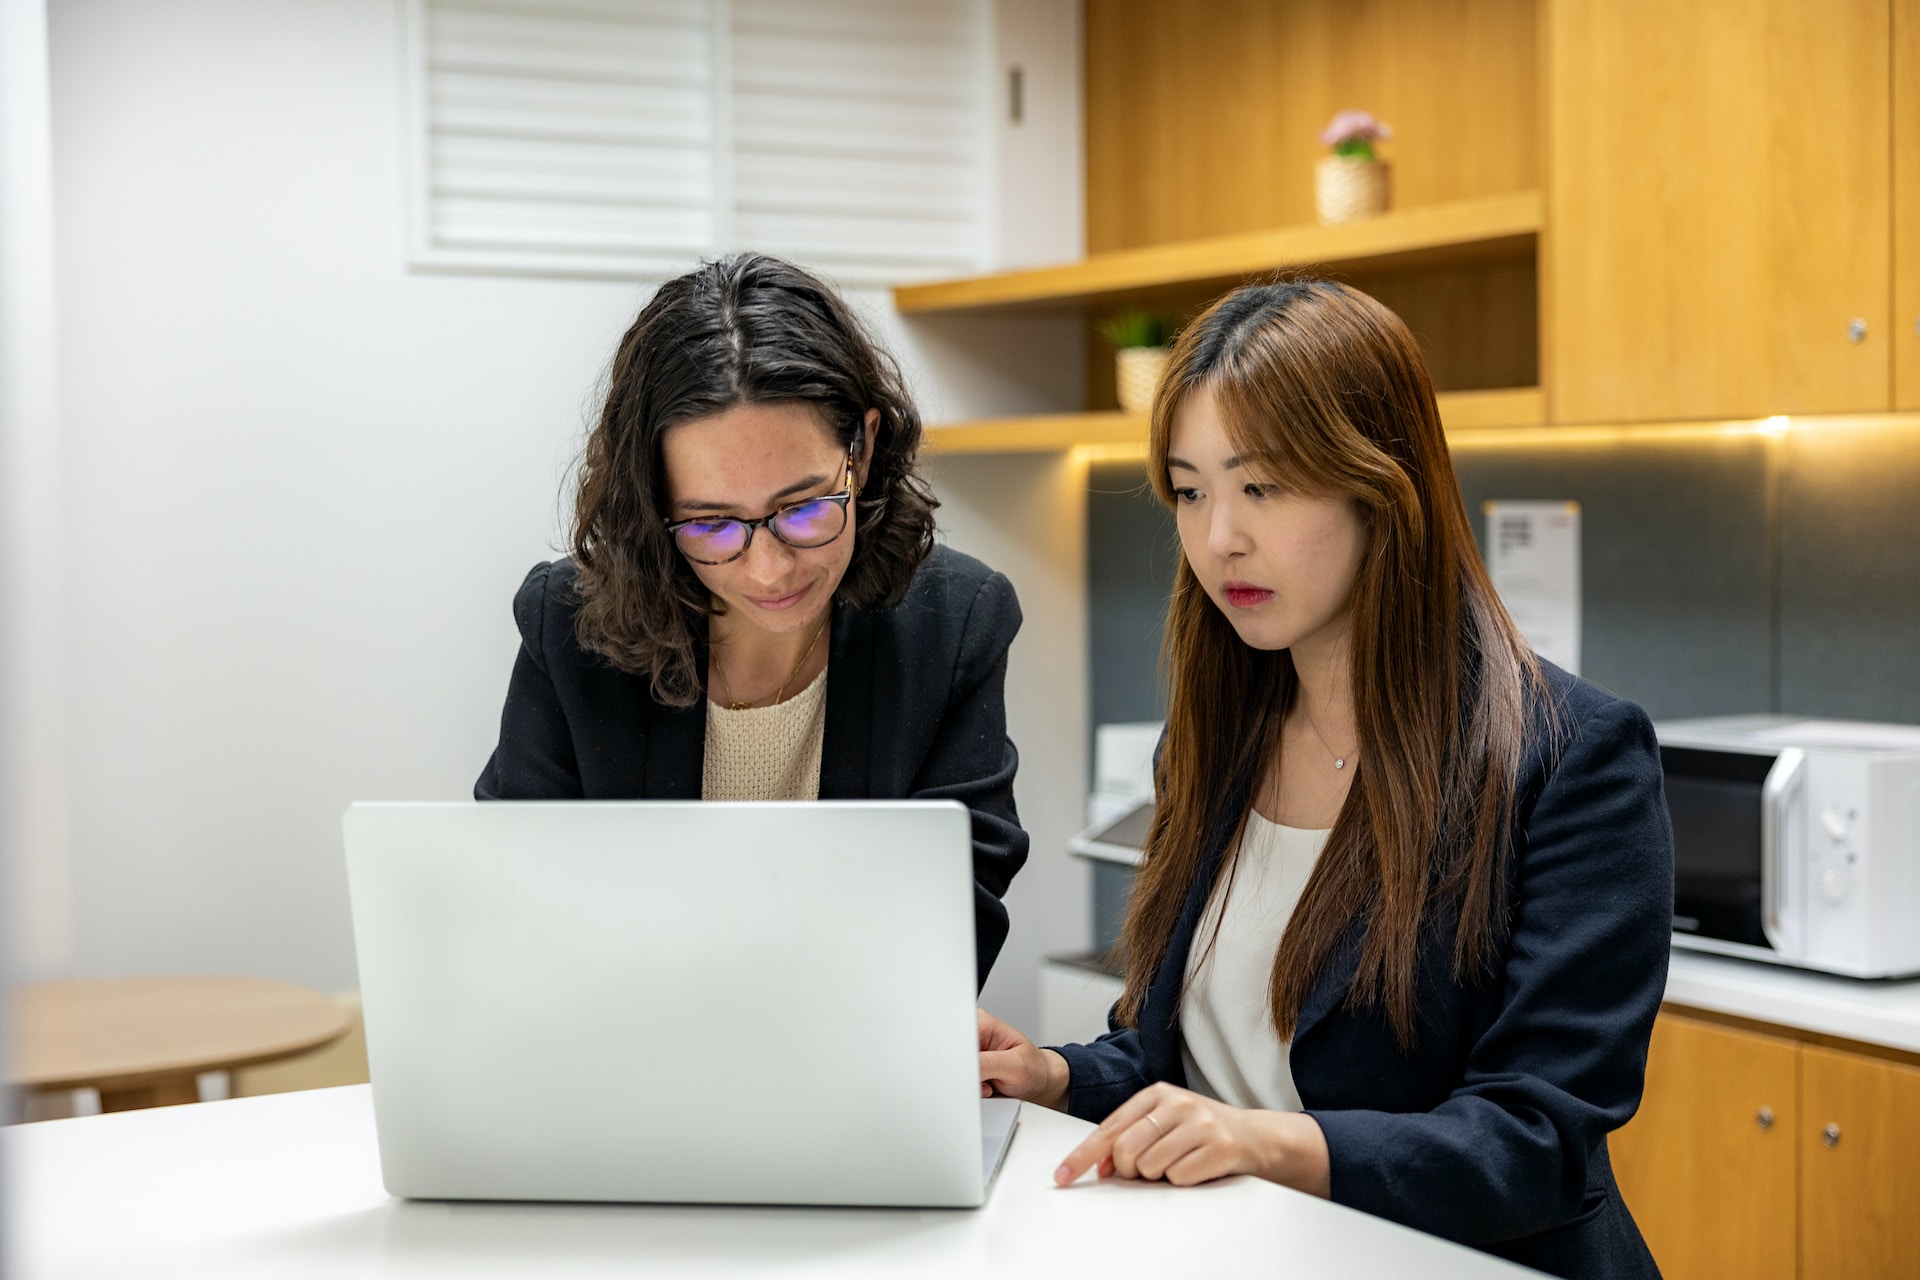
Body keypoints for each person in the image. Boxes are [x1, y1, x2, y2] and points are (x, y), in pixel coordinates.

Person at [977, 280, 1672, 1278]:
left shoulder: (1574, 758)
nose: (1220, 538)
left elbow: (1537, 1141)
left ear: (1379, 484)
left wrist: (1266, 1141)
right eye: (1190, 489)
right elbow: (1170, 1059)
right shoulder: (1217, 739)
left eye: (1262, 487)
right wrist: (1048, 1074)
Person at [476, 253, 1028, 988]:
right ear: (654, 504)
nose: (769, 570)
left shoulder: (955, 625)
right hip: (615, 1063)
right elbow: (511, 908)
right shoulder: (570, 628)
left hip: (846, 1068)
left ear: (859, 452)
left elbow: (948, 933)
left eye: (803, 510)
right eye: (711, 525)